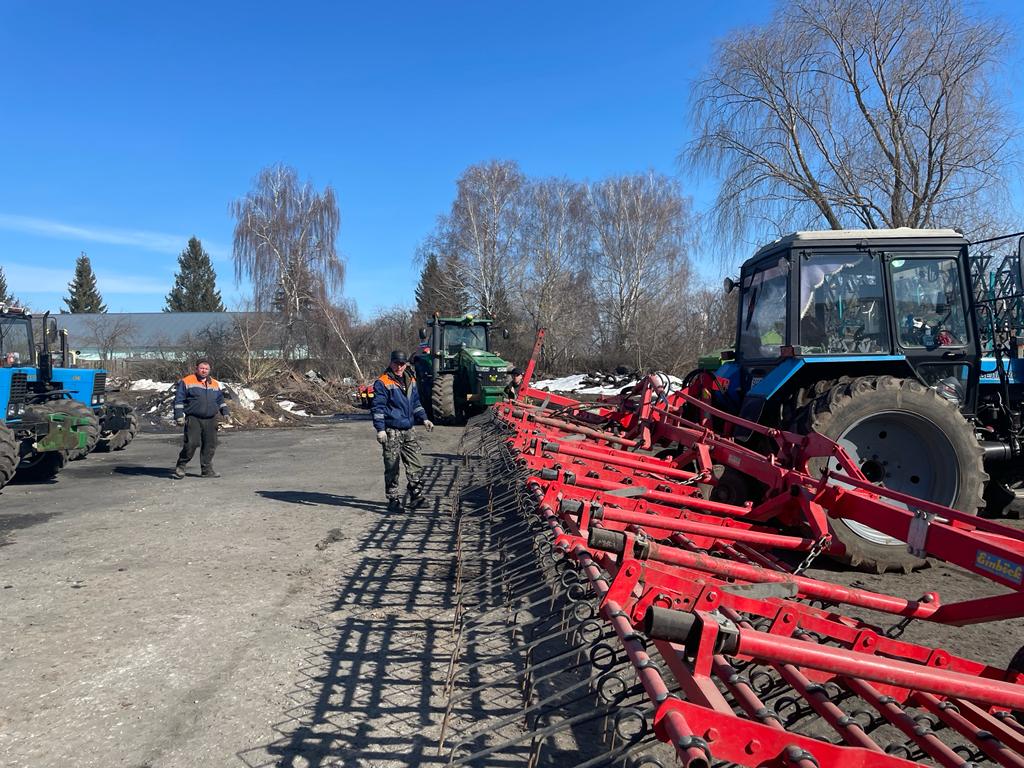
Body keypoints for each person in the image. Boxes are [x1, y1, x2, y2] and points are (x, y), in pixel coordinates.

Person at [372, 350, 433, 511]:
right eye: (396, 363)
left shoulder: (411, 379)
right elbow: (378, 408)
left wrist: (424, 418)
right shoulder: (383, 382)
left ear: (406, 364)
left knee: (416, 463)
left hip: (408, 429)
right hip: (392, 430)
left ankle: (416, 495)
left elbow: (416, 403)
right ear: (391, 363)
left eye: (402, 364)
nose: (399, 367)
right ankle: (393, 499)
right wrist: (380, 429)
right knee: (392, 466)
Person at [172, 359, 229, 479]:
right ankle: (181, 465)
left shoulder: (214, 383)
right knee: (191, 443)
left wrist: (225, 412)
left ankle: (207, 470)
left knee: (210, 444)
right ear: (196, 368)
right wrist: (178, 416)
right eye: (202, 368)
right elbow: (179, 399)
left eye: (206, 369)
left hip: (211, 419)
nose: (204, 371)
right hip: (194, 418)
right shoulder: (187, 381)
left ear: (209, 370)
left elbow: (220, 399)